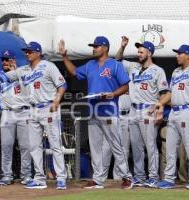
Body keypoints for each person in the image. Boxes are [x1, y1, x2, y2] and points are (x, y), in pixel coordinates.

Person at [0, 41, 68, 190]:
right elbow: (2, 77)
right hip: (32, 110)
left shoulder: (48, 66)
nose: (27, 53)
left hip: (48, 107)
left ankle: (61, 178)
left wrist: (57, 100)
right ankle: (39, 178)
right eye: (26, 51)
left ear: (38, 52)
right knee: (34, 146)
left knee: (55, 145)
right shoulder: (23, 70)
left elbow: (62, 85)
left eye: (30, 51)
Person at [59, 36, 133, 189]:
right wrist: (64, 56)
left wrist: (112, 94)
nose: (94, 48)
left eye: (97, 46)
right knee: (95, 147)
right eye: (93, 46)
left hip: (109, 110)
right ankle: (98, 179)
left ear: (105, 48)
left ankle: (127, 177)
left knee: (116, 145)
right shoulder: (90, 65)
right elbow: (73, 71)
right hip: (93, 110)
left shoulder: (114, 64)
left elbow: (126, 86)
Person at [116, 36, 171, 187]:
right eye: (138, 51)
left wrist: (160, 109)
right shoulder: (133, 67)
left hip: (148, 109)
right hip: (134, 109)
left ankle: (153, 176)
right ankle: (139, 177)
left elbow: (165, 93)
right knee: (136, 146)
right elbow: (118, 60)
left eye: (142, 52)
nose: (139, 54)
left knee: (150, 145)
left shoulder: (157, 71)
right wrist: (123, 46)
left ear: (149, 53)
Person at [0, 49, 32, 185]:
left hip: (24, 112)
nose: (4, 62)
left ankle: (26, 175)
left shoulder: (22, 72)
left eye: (7, 59)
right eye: (3, 59)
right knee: (6, 146)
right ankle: (7, 175)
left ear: (13, 60)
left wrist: (16, 72)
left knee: (25, 146)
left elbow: (29, 90)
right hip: (7, 113)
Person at [156, 44, 189, 190]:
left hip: (188, 110)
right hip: (174, 112)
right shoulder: (176, 71)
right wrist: (160, 103)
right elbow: (170, 93)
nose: (176, 55)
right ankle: (169, 179)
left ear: (187, 55)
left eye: (179, 53)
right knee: (170, 146)